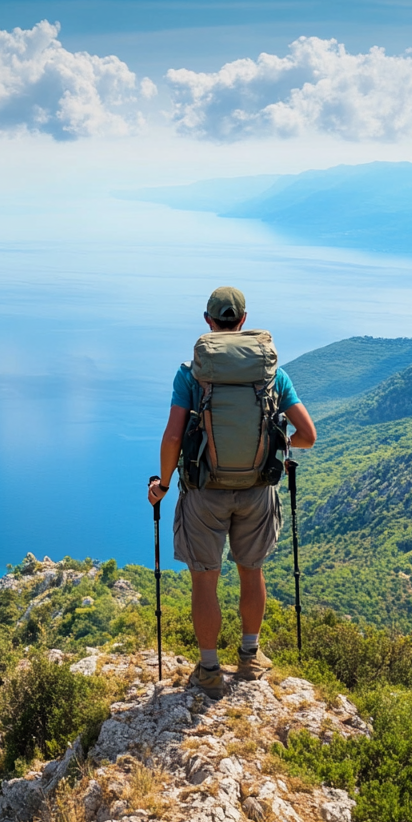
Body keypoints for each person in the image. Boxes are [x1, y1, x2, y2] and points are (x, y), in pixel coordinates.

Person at [148, 286, 316, 698]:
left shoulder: (191, 374)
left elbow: (173, 437)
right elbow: (308, 436)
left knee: (204, 581)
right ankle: (250, 657)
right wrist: (278, 445)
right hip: (257, 491)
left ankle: (208, 670)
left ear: (208, 322)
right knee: (250, 571)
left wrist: (163, 483)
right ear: (242, 321)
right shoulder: (273, 373)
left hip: (204, 492)